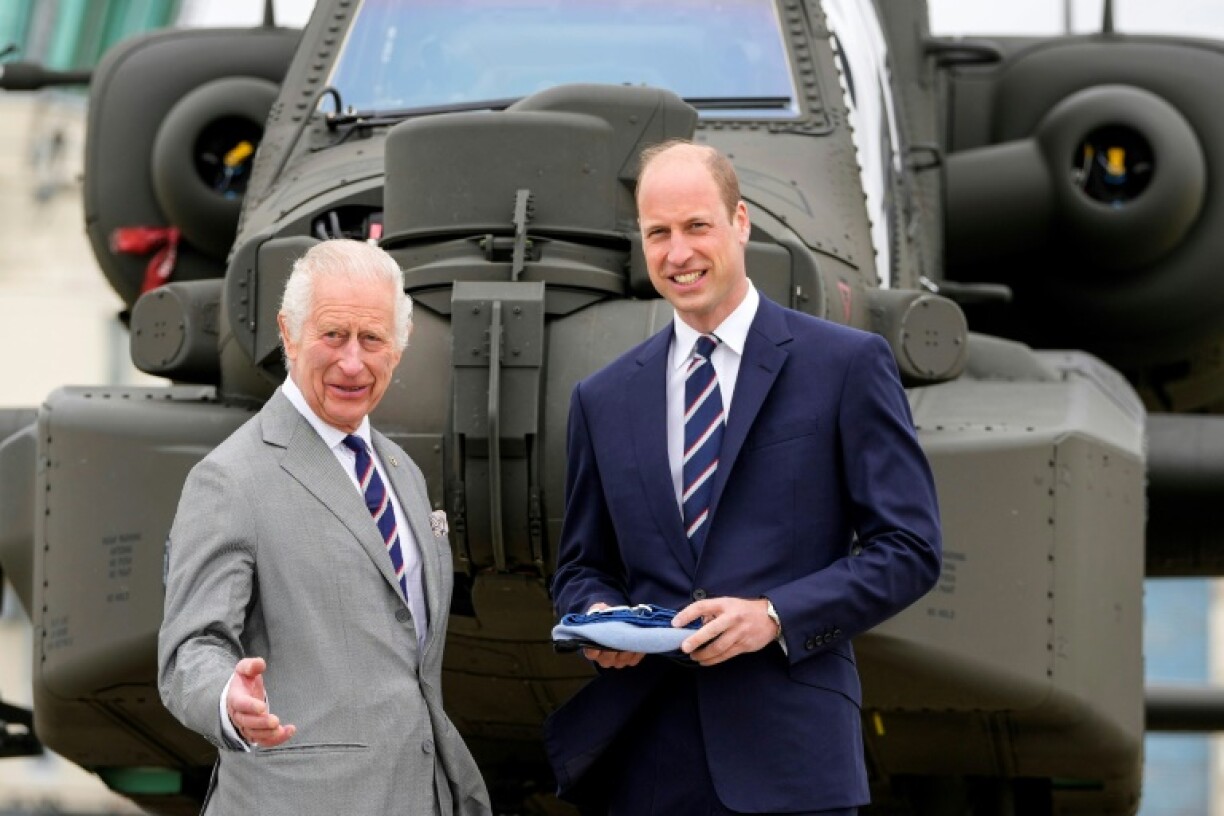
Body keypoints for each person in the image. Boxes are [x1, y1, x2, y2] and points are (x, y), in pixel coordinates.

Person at [544, 140, 943, 815]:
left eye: (696, 226)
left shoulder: (846, 365)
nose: (678, 253)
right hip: (644, 769)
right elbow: (583, 566)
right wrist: (599, 620)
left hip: (793, 765)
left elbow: (909, 549)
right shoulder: (602, 398)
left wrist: (774, 616)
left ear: (740, 221)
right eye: (658, 233)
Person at [158, 239, 491, 816]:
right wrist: (228, 699)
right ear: (288, 334)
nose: (353, 363)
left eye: (373, 339)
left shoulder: (402, 473)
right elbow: (192, 648)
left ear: (400, 346)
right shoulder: (229, 478)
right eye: (333, 335)